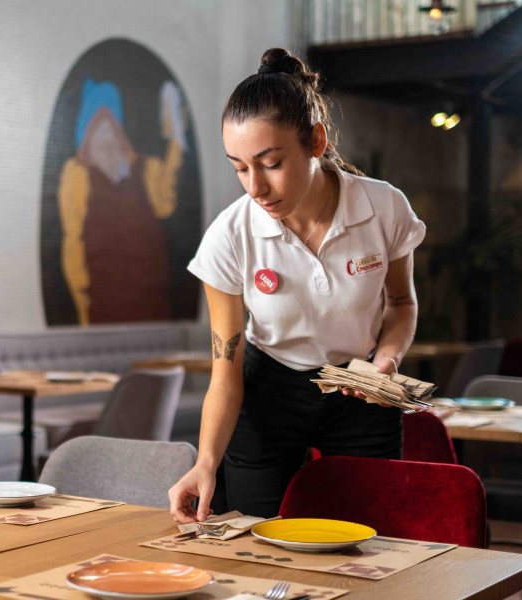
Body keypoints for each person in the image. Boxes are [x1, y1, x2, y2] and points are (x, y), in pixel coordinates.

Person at [168, 49, 426, 522]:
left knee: (374, 542)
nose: (254, 187)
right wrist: (204, 463)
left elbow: (402, 302)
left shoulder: (384, 207)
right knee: (257, 540)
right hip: (269, 390)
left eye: (269, 163)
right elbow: (226, 374)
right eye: (240, 167)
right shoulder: (230, 235)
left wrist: (384, 364)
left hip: (360, 390)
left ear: (315, 142)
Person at [58, 78, 188, 325]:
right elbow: (73, 241)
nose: (107, 139)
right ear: (87, 136)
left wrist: (176, 141)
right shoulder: (77, 175)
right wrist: (82, 304)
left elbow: (165, 201)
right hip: (103, 304)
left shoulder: (144, 168)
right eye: (98, 129)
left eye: (110, 127)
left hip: (151, 304)